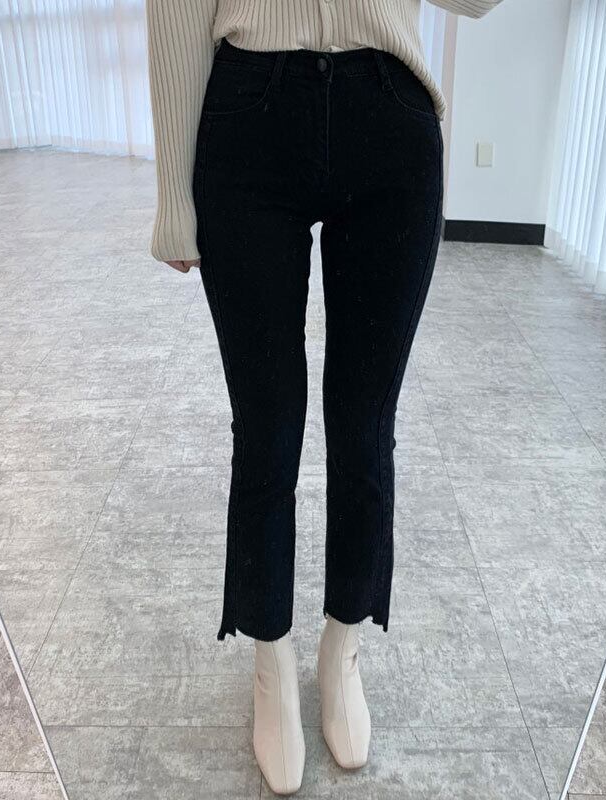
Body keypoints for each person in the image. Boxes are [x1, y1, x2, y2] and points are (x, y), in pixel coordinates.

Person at [146, 0, 500, 793]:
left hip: (391, 111)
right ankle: (269, 659)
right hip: (248, 112)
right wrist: (173, 192)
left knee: (365, 425)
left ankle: (343, 648)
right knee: (267, 428)